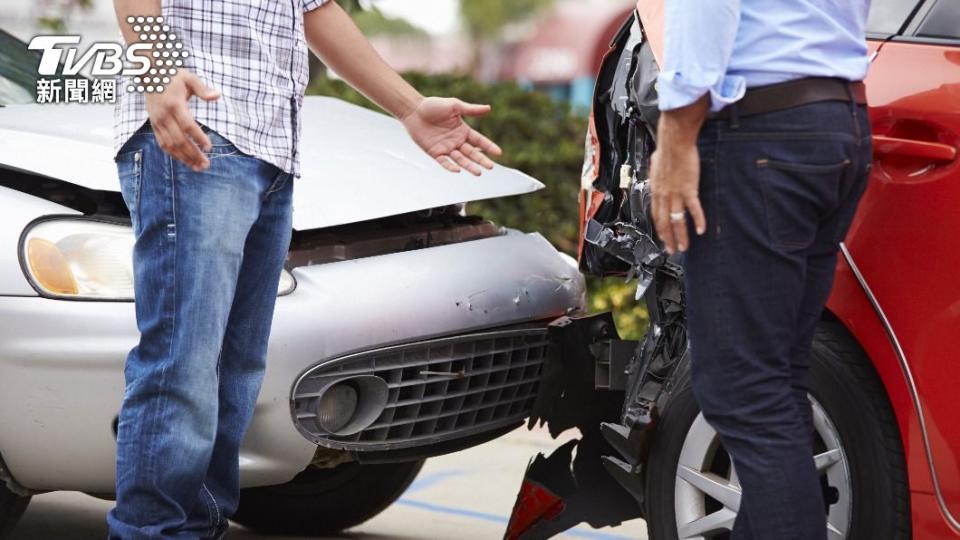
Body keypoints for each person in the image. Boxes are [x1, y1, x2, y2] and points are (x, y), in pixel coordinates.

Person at [107, 1, 501, 537]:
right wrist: (157, 69)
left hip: (269, 149)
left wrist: (409, 108)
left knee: (235, 373)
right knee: (183, 366)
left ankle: (198, 529)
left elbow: (315, 10)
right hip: (196, 129)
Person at [648, 1, 872, 538]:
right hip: (836, 122)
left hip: (762, 132)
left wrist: (676, 134)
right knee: (776, 383)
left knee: (745, 391)